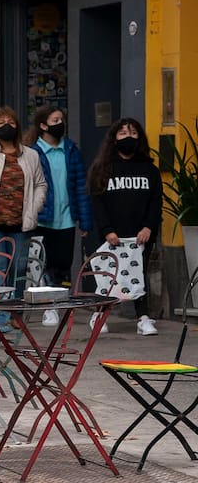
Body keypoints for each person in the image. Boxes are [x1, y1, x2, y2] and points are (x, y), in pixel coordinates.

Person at [87, 117, 162, 336]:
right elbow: (97, 202)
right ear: (113, 139)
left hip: (141, 235)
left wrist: (148, 227)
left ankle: (143, 317)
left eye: (133, 133)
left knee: (140, 274)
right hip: (110, 235)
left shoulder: (149, 170)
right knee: (107, 276)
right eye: (122, 133)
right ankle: (99, 313)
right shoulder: (102, 169)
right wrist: (107, 230)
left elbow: (156, 202)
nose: (128, 137)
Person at [0, 107, 47, 297]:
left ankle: (17, 313)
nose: (7, 126)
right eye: (1, 123)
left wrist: (35, 207)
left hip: (21, 223)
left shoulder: (31, 155)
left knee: (20, 268)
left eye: (11, 123)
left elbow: (41, 184)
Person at [30, 106, 91, 326]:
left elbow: (80, 187)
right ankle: (49, 306)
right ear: (43, 126)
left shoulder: (71, 150)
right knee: (45, 264)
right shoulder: (33, 152)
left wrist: (85, 220)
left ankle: (60, 301)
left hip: (66, 217)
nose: (60, 123)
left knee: (64, 263)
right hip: (43, 218)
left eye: (62, 119)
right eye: (55, 120)